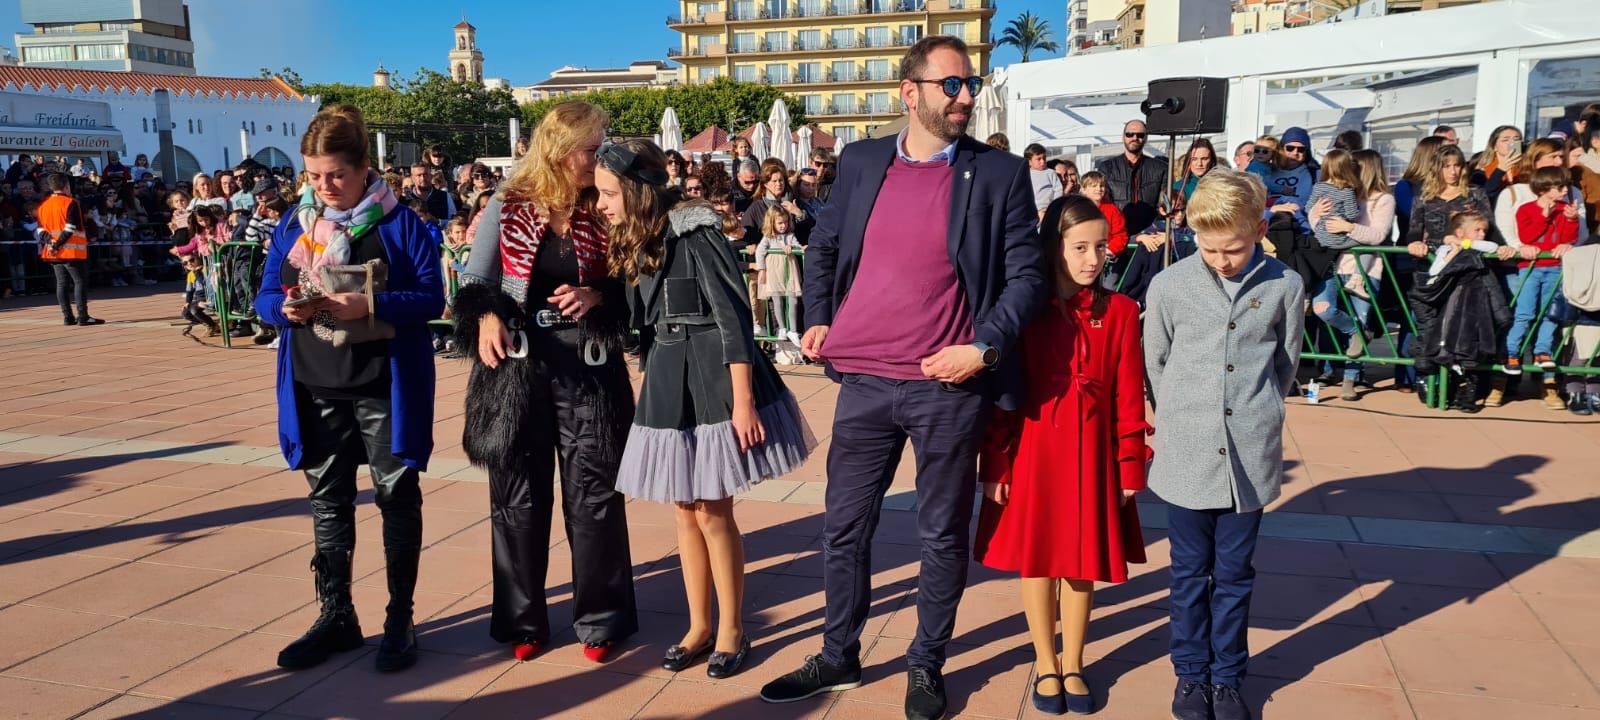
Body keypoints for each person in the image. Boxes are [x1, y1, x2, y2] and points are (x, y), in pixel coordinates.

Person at [761, 36, 1047, 720]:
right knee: (842, 527)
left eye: (970, 84)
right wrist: (819, 315)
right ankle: (838, 656)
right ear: (909, 92)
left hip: (947, 386)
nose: (966, 97)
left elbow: (1028, 276)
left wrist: (983, 346)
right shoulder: (860, 163)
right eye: (951, 85)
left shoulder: (999, 174)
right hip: (863, 379)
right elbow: (825, 245)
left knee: (940, 532)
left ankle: (926, 663)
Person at [600, 138, 815, 680]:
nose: (600, 203)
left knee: (713, 511)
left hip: (714, 375)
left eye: (607, 193)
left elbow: (733, 317)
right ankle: (698, 626)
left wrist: (744, 402)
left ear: (634, 189)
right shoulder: (638, 237)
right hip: (668, 377)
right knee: (683, 508)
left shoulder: (695, 231)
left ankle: (731, 630)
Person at [255, 104, 445, 675]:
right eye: (313, 175)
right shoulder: (296, 224)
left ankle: (400, 618)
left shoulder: (399, 223)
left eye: (335, 174)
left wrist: (373, 304)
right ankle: (336, 614)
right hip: (315, 381)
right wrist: (283, 309)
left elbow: (433, 298)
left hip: (384, 385)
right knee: (329, 502)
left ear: (365, 167)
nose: (324, 186)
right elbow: (265, 293)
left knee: (395, 497)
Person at [452, 101, 639, 664]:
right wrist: (485, 315)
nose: (600, 156)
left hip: (590, 366)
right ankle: (521, 619)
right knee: (515, 499)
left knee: (596, 498)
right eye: (592, 147)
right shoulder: (508, 204)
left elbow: (634, 281)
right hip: (518, 368)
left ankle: (601, 619)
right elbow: (473, 279)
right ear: (560, 152)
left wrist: (599, 296)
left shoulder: (606, 202)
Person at [975, 195, 1147, 716]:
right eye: (1080, 247)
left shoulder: (1120, 311)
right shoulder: (1025, 314)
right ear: (1054, 247)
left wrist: (1130, 464)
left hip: (1094, 456)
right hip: (1034, 450)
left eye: (1101, 248)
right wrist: (996, 464)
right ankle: (1045, 661)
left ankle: (1074, 661)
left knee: (1082, 561)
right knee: (1039, 559)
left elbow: (1129, 394)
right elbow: (1003, 396)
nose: (1093, 259)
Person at [1144, 170, 1303, 720]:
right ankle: (1190, 674)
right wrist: (1186, 418)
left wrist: (1256, 412)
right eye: (1208, 248)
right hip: (1187, 452)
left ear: (1260, 229)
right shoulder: (1168, 285)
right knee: (1188, 572)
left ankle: (1228, 675)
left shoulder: (1284, 284)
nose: (1221, 259)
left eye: (1233, 248)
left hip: (1248, 455)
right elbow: (1157, 364)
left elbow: (1285, 364)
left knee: (1234, 574)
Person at [1406, 143, 1495, 407]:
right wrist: (1416, 244)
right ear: (1437, 168)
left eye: (1457, 165)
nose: (1453, 171)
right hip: (1432, 268)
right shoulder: (1424, 195)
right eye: (1447, 166)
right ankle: (1427, 377)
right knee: (1428, 326)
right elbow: (1413, 229)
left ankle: (1466, 384)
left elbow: (1488, 230)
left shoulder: (1475, 194)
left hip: (1467, 270)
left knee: (1465, 327)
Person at [1308, 149, 1401, 401]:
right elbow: (1320, 227)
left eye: (1353, 165)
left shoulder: (1383, 199)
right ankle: (1347, 343)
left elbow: (1378, 235)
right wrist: (1315, 214)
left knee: (1361, 316)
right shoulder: (1339, 191)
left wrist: (1348, 227)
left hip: (1366, 269)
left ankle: (1350, 378)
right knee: (1323, 309)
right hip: (1332, 265)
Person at [1505, 166, 1580, 377]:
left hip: (1555, 269)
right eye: (1560, 186)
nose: (1565, 190)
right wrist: (1543, 216)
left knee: (1551, 313)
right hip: (1531, 269)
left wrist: (1572, 221)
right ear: (1543, 189)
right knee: (1524, 313)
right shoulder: (1526, 209)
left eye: (1565, 185)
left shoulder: (1565, 209)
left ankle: (1543, 352)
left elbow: (1568, 238)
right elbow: (1528, 236)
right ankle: (1512, 353)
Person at [35, 172, 101, 326]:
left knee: (61, 284)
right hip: (71, 251)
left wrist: (51, 244)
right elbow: (70, 228)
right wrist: (58, 245)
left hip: (53, 252)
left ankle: (67, 316)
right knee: (80, 282)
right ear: (66, 186)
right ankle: (83, 316)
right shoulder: (71, 203)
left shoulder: (43, 206)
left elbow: (40, 230)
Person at [1094, 119, 1169, 234]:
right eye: (1129, 134)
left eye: (1140, 135)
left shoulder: (1160, 168)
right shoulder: (1107, 168)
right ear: (1123, 137)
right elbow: (1104, 204)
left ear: (1145, 138)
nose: (1135, 138)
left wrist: (1151, 231)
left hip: (1150, 234)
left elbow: (1163, 204)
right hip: (1116, 232)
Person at [755, 205, 804, 345]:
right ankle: (782, 328)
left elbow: (798, 246)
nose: (783, 226)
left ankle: (793, 330)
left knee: (793, 299)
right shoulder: (768, 238)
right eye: (780, 223)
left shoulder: (790, 236)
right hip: (774, 270)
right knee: (777, 301)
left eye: (785, 222)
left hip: (789, 269)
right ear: (772, 223)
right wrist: (762, 270)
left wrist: (794, 248)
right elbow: (760, 252)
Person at [1172, 138, 1217, 207]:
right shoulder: (1179, 187)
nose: (1199, 164)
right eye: (1194, 159)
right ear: (1188, 160)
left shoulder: (1221, 185)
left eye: (1204, 159)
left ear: (1211, 160)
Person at [1025, 143, 1062, 219]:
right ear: (1029, 162)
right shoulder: (1026, 174)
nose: (1042, 161)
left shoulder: (1050, 172)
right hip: (1032, 210)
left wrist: (1053, 205)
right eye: (1038, 159)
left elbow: (1058, 189)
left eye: (1044, 158)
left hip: (1049, 208)